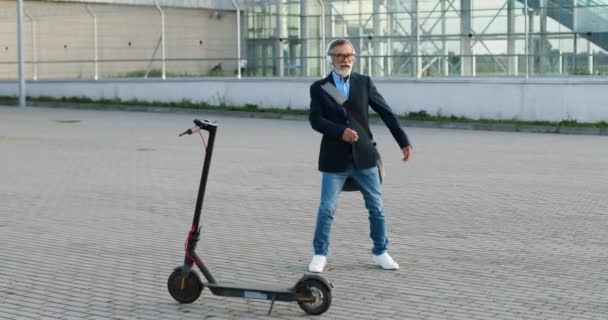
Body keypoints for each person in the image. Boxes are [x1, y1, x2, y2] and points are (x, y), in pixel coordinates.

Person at [308, 39, 413, 273]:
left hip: (365, 157)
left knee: (376, 207)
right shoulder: (320, 87)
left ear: (354, 57)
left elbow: (386, 112)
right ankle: (320, 254)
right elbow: (315, 120)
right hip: (334, 159)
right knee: (326, 208)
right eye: (339, 56)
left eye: (349, 55)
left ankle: (380, 251)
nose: (345, 60)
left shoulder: (363, 83)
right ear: (331, 58)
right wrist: (339, 132)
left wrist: (403, 141)